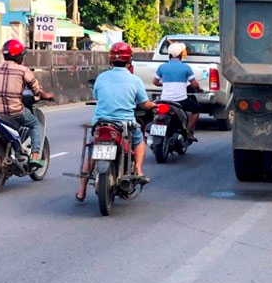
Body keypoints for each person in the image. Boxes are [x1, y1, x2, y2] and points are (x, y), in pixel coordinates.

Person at [76, 42, 155, 202]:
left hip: (101, 123)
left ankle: (81, 190)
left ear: (111, 60)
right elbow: (145, 104)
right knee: (139, 141)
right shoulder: (135, 80)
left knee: (91, 152)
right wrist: (153, 104)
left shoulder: (101, 77)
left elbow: (98, 96)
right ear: (129, 60)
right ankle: (138, 170)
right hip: (125, 124)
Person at [0, 40, 55, 169]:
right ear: (19, 57)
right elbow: (36, 90)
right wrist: (47, 96)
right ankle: (35, 155)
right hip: (15, 112)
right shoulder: (23, 71)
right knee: (35, 125)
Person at [153, 42, 202, 141]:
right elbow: (195, 84)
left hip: (164, 100)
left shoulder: (162, 67)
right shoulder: (186, 68)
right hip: (180, 100)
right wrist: (199, 90)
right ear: (180, 55)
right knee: (196, 109)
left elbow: (155, 82)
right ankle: (187, 132)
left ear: (169, 55)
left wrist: (164, 84)